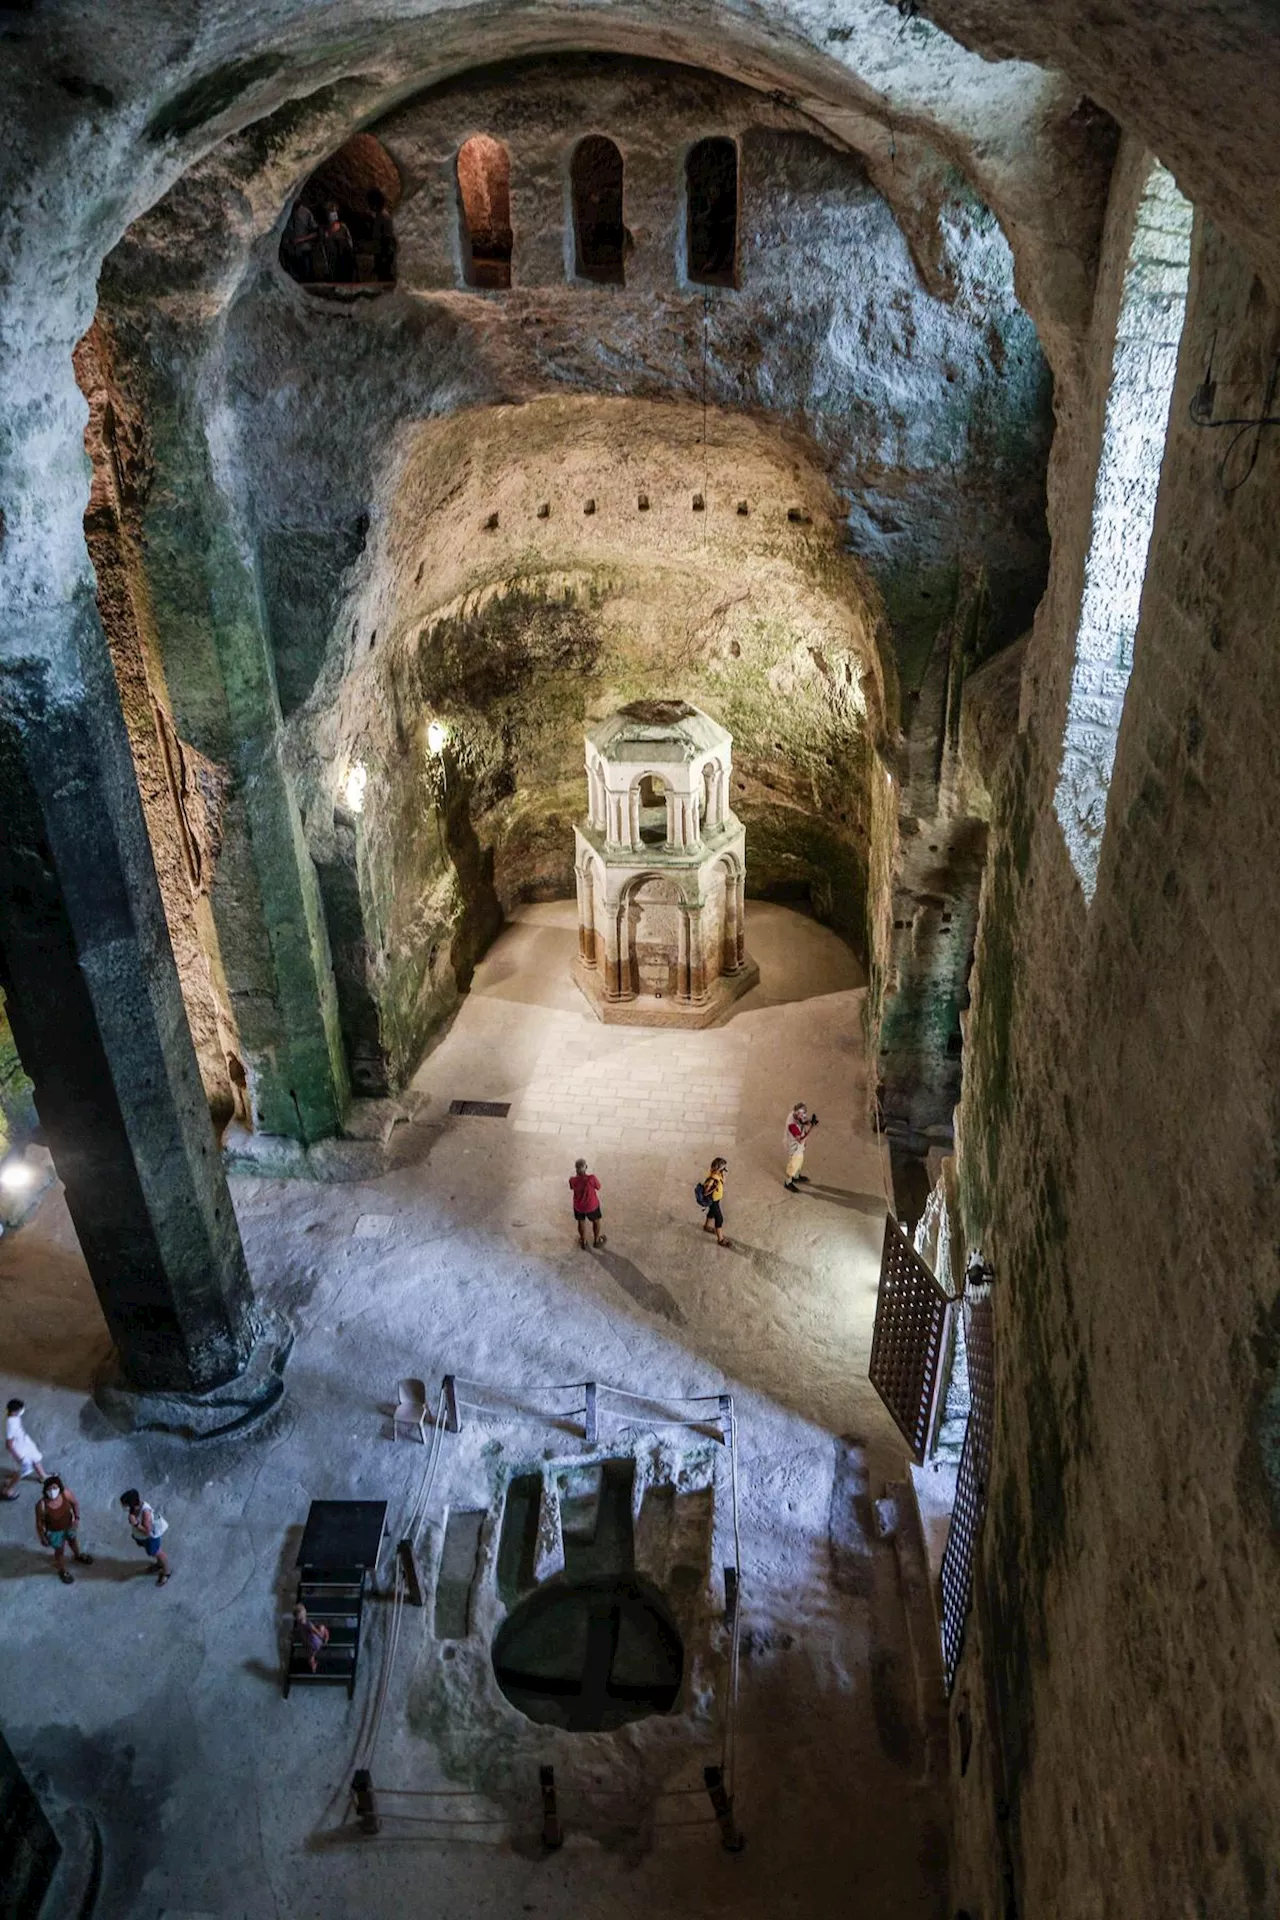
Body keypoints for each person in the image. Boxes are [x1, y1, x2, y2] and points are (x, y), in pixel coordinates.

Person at [35, 1476, 93, 1584]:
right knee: (59, 1551)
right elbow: (39, 1523)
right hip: (54, 1532)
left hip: (69, 1526)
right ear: (45, 1490)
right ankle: (62, 1570)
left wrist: (77, 1518)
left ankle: (78, 1555)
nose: (52, 1491)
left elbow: (75, 1503)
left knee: (73, 1541)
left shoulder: (66, 1494)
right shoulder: (42, 1505)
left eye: (54, 1488)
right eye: (49, 1489)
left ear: (59, 1487)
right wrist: (42, 1537)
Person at [120, 1488, 172, 1588]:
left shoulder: (145, 1512)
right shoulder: (135, 1507)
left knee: (158, 1552)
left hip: (151, 1537)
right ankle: (159, 1564)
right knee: (153, 1552)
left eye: (125, 1505)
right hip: (144, 1538)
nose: (124, 1507)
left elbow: (147, 1531)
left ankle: (167, 1572)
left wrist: (135, 1524)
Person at [4, 1396, 44, 1499]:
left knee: (36, 1458)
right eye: (20, 1409)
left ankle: (43, 1476)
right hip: (21, 1452)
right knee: (22, 1472)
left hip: (26, 1444)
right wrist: (18, 1457)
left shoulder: (15, 1417)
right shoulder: (10, 1424)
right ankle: (8, 1490)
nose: (22, 1411)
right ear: (14, 1411)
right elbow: (8, 1444)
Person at [569, 1158, 606, 1250]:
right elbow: (599, 1187)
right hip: (592, 1206)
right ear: (586, 1167)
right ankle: (597, 1240)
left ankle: (583, 1241)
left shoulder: (572, 1180)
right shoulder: (591, 1178)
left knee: (581, 1222)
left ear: (576, 1169)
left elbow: (571, 1187)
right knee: (596, 1221)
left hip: (578, 1206)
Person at [784, 1102, 818, 1191]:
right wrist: (811, 1128)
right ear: (797, 1113)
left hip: (799, 1147)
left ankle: (796, 1176)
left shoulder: (794, 1114)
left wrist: (810, 1122)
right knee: (793, 1165)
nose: (804, 1116)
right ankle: (788, 1182)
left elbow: (802, 1122)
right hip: (795, 1147)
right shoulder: (792, 1125)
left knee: (799, 1161)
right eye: (802, 1114)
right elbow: (801, 1140)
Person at [283, 199, 319, 282]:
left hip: (304, 249)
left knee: (305, 276)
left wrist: (302, 239)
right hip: (289, 251)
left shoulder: (306, 213)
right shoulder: (286, 211)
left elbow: (315, 232)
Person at [367, 186, 398, 282]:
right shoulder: (380, 216)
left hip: (385, 258)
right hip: (382, 256)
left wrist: (382, 260)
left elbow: (386, 240)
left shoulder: (383, 218)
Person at [320, 203, 356, 282]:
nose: (333, 214)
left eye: (334, 211)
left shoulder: (343, 227)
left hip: (345, 260)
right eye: (331, 212)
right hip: (333, 262)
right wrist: (325, 263)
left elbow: (350, 244)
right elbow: (323, 248)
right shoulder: (325, 231)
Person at [700, 1157, 730, 1247]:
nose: (724, 1170)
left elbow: (723, 1182)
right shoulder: (712, 1179)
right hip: (713, 1200)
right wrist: (712, 1188)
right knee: (719, 1218)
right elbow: (705, 1191)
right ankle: (720, 1239)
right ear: (718, 1169)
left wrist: (723, 1176)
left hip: (717, 1199)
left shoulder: (718, 1174)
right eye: (723, 1169)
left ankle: (706, 1226)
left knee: (712, 1213)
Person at [294, 1601, 330, 1672]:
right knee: (322, 1627)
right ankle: (327, 1638)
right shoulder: (308, 1623)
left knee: (311, 1657)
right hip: (316, 1644)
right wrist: (321, 1636)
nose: (305, 1610)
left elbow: (297, 1633)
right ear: (303, 1614)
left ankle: (313, 1666)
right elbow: (315, 1631)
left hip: (308, 1646)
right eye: (304, 1610)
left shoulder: (299, 1625)